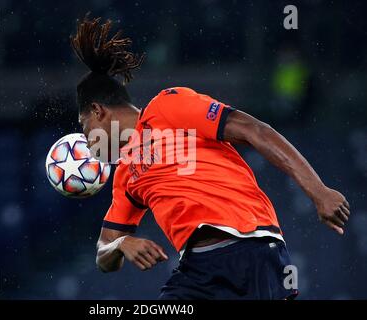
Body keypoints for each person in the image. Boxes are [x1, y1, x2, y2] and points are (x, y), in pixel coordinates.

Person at [70, 16, 350, 299]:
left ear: (98, 111)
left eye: (84, 126)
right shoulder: (125, 174)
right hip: (197, 271)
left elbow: (256, 130)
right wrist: (121, 245)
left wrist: (318, 191)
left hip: (251, 250)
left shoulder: (167, 106)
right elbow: (102, 251)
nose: (88, 139)